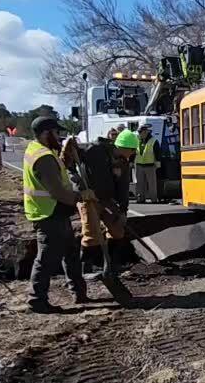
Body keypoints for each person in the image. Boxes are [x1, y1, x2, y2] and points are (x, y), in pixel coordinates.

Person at [23, 116, 94, 312]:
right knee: (46, 258)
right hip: (49, 213)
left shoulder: (41, 151)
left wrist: (66, 158)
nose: (59, 136)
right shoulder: (43, 157)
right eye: (56, 133)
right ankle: (36, 300)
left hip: (55, 212)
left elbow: (56, 172)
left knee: (70, 254)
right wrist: (81, 195)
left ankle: (79, 292)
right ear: (46, 133)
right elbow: (58, 192)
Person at [72, 129, 136, 279]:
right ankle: (87, 269)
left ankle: (112, 266)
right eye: (132, 151)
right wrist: (75, 179)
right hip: (88, 198)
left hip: (107, 200)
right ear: (124, 148)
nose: (132, 155)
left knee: (117, 230)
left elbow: (123, 188)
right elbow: (70, 162)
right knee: (91, 233)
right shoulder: (94, 150)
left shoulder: (123, 163)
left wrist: (123, 211)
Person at [133, 125, 161, 203]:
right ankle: (140, 199)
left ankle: (154, 199)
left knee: (152, 184)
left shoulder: (153, 141)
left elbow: (158, 153)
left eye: (140, 132)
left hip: (150, 165)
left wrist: (158, 164)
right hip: (139, 165)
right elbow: (134, 152)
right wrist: (132, 162)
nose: (139, 134)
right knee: (140, 183)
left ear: (145, 132)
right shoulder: (137, 140)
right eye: (139, 132)